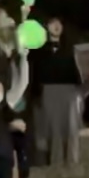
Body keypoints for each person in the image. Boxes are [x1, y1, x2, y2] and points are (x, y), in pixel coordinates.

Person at [29, 18, 82, 167]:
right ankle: (55, 160)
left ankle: (71, 159)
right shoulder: (38, 50)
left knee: (70, 126)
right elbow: (35, 72)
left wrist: (78, 88)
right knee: (52, 127)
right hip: (48, 89)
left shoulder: (68, 48)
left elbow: (75, 70)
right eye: (53, 23)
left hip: (68, 89)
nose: (57, 26)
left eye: (59, 23)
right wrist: (36, 93)